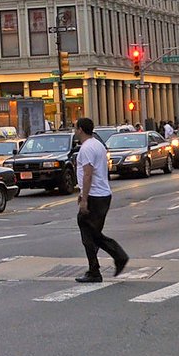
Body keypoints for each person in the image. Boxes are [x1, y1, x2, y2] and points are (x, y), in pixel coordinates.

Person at [72, 117, 128, 283]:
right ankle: (94, 269)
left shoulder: (87, 148)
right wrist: (82, 193)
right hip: (102, 194)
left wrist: (84, 200)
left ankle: (116, 258)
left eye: (75, 128)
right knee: (92, 234)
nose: (74, 131)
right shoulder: (97, 145)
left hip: (95, 196)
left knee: (89, 233)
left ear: (81, 129)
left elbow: (88, 174)